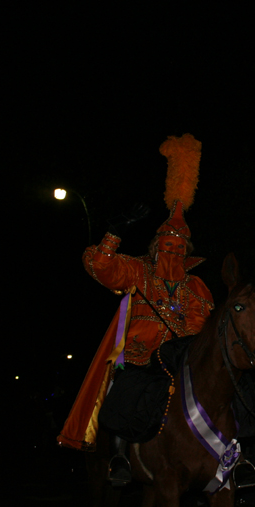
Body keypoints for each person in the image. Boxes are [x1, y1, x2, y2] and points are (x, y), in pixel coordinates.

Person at [57, 134, 214, 484]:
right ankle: (118, 457)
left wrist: (184, 342)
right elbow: (102, 268)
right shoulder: (139, 269)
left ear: (187, 250)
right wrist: (114, 232)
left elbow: (201, 324)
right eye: (166, 245)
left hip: (183, 360)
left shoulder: (196, 285)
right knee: (123, 388)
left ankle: (233, 462)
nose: (172, 252)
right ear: (155, 247)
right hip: (141, 355)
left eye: (179, 247)